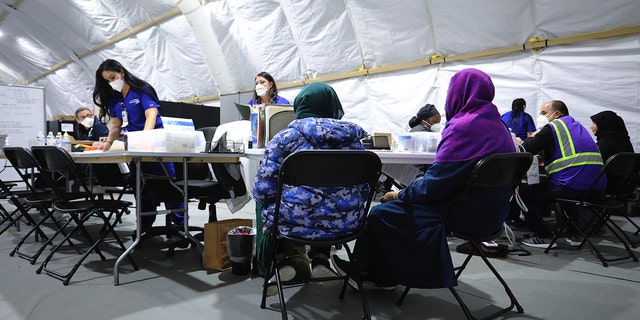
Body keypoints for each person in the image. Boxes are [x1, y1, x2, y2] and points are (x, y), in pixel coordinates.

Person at [332, 68, 516, 290]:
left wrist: (399, 193)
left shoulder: (464, 127)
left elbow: (433, 188)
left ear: (460, 92)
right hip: (493, 215)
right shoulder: (500, 127)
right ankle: (383, 273)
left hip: (460, 213)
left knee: (381, 213)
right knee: (395, 211)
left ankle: (367, 271)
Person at [253, 82, 368, 288]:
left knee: (264, 202)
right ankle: (321, 259)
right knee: (332, 202)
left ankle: (282, 262)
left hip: (293, 223)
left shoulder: (285, 139)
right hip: (346, 224)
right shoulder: (354, 142)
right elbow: (364, 190)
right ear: (333, 105)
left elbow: (263, 189)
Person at [92, 59, 184, 231]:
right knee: (142, 188)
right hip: (135, 147)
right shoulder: (114, 98)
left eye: (112, 77)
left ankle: (180, 225)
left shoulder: (142, 90)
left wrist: (145, 138)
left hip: (155, 144)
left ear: (121, 71)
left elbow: (151, 115)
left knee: (168, 186)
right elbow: (116, 125)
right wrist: (108, 143)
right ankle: (144, 226)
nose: (111, 82)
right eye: (107, 81)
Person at [519, 100, 605, 248]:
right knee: (565, 193)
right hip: (596, 188)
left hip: (573, 186)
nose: (541, 116)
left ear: (556, 114)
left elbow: (527, 148)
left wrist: (532, 137)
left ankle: (543, 236)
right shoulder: (578, 127)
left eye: (544, 113)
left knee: (524, 193)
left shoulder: (554, 126)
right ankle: (575, 234)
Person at [590, 110, 636, 195]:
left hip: (606, 187)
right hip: (625, 188)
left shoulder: (605, 142)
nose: (591, 126)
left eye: (594, 123)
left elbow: (593, 166)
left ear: (604, 124)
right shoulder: (625, 141)